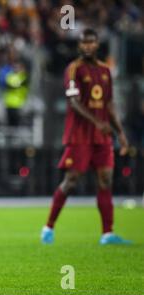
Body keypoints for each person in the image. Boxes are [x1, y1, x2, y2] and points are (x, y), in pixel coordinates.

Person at [41, 29, 131, 245]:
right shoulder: (74, 69)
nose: (88, 46)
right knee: (71, 181)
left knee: (106, 179)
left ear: (97, 44)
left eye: (92, 42)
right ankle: (48, 227)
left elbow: (109, 104)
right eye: (84, 42)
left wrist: (120, 132)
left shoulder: (105, 70)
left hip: (102, 137)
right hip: (80, 134)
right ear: (80, 45)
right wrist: (98, 122)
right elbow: (74, 102)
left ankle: (107, 233)